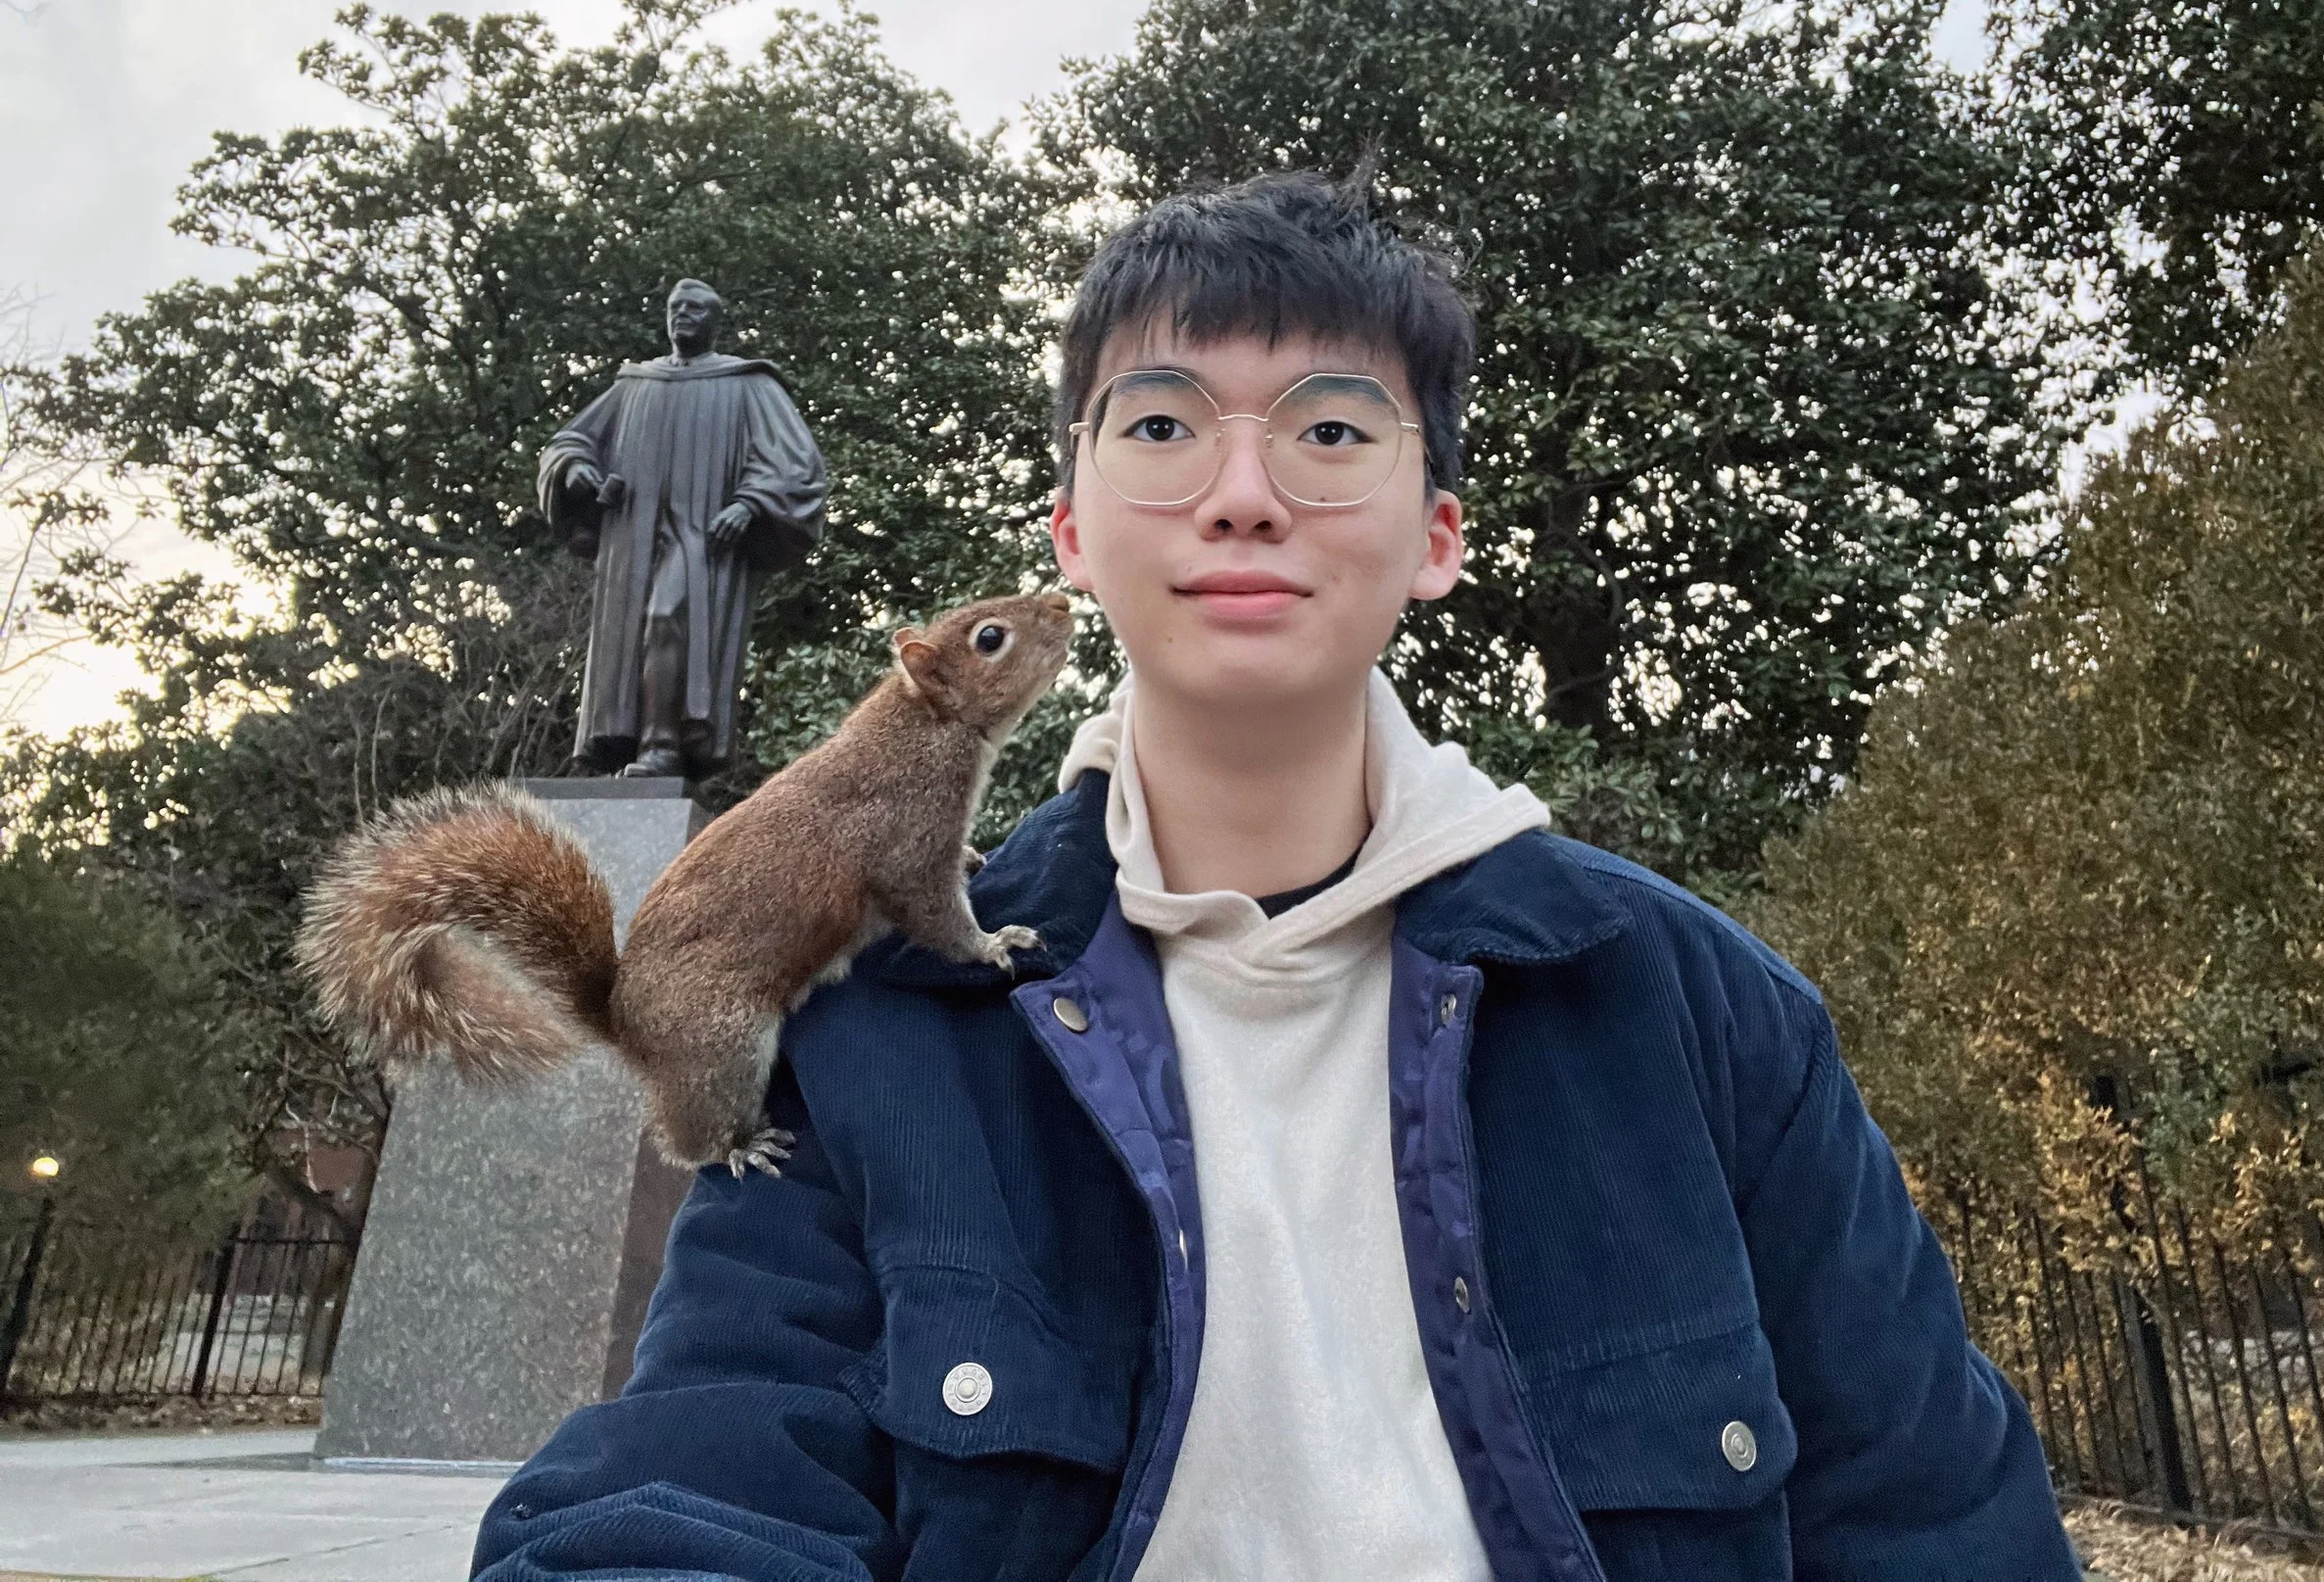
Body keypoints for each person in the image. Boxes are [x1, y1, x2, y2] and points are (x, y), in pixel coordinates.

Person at [473, 174, 2082, 1581]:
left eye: (1328, 430)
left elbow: (1935, 1520)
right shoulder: (887, 1031)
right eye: (1164, 426)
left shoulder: (1704, 1017)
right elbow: (704, 1471)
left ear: (1437, 535)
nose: (1243, 492)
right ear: (1076, 533)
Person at [539, 277, 829, 780]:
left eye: (694, 309)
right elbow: (569, 441)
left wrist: (750, 503)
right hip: (633, 537)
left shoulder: (748, 384)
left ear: (714, 321)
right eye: (676, 308)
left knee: (667, 617)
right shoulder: (635, 384)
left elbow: (798, 464)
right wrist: (575, 469)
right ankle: (624, 745)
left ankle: (663, 746)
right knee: (630, 637)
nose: (683, 316)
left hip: (701, 539)